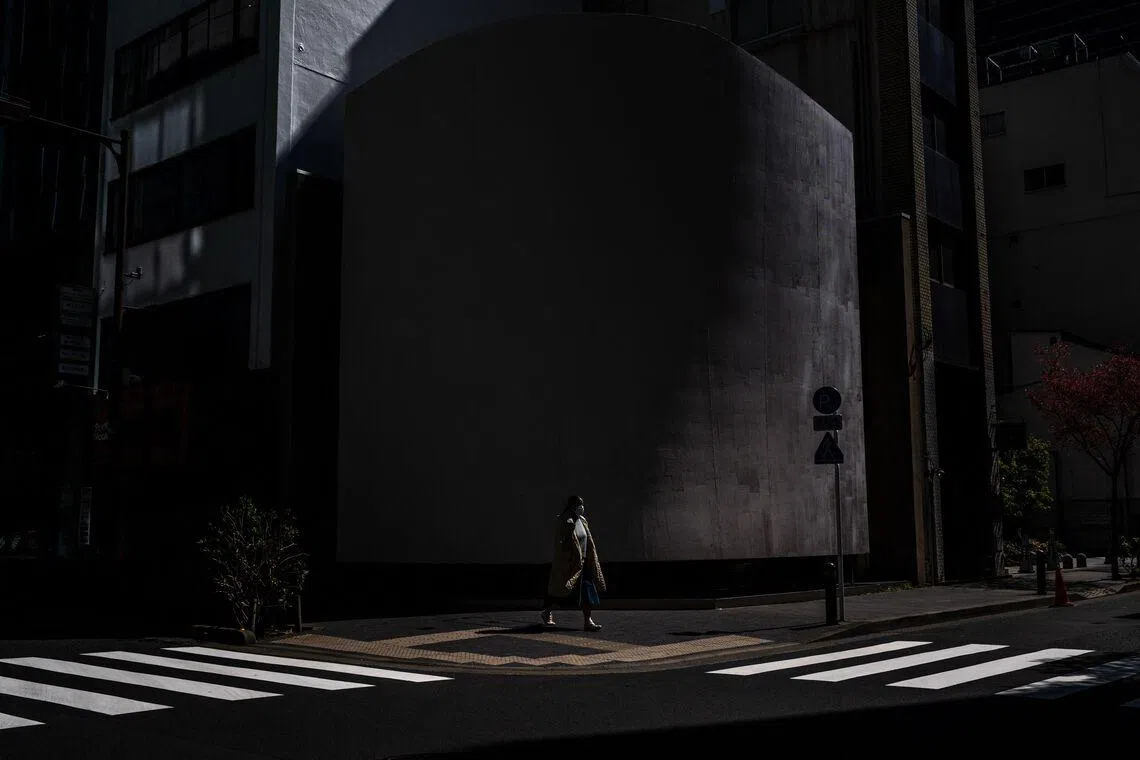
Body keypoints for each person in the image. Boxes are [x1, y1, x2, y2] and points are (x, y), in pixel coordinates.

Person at [541, 494, 606, 631]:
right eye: (578, 504)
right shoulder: (565, 521)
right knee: (563, 590)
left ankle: (588, 621)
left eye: (582, 504)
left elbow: (587, 540)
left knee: (587, 591)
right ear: (572, 506)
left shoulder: (582, 520)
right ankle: (548, 611)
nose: (581, 507)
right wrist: (568, 557)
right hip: (570, 564)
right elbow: (560, 544)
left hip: (584, 563)